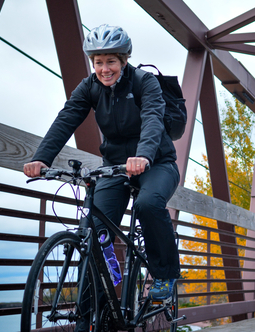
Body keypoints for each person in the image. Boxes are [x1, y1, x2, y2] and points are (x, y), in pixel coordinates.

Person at [23, 24, 180, 324]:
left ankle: (165, 275)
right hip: (114, 167)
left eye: (110, 61)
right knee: (95, 230)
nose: (104, 69)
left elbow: (152, 120)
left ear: (123, 60)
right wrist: (41, 158)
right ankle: (90, 314)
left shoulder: (145, 83)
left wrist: (144, 155)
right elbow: (66, 118)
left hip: (157, 162)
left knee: (147, 205)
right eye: (98, 62)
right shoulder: (90, 87)